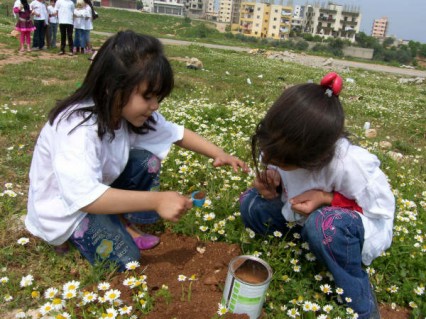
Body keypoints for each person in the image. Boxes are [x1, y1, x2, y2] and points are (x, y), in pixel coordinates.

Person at [26, 30, 248, 272]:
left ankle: (122, 222)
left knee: (146, 161)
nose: (154, 106)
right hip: (66, 210)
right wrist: (158, 199)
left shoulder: (123, 113)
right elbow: (84, 197)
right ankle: (69, 235)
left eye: (158, 98)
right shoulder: (77, 128)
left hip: (94, 192)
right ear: (113, 87)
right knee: (127, 259)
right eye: (148, 97)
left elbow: (176, 133)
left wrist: (219, 153)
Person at [239, 72, 394, 319]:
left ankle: (361, 303)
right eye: (268, 152)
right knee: (250, 204)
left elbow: (380, 212)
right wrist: (272, 186)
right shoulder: (282, 145)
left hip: (352, 227)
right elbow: (278, 175)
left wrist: (327, 198)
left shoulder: (350, 165)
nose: (268, 159)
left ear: (312, 159)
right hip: (303, 218)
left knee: (325, 225)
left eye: (277, 160)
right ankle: (313, 244)